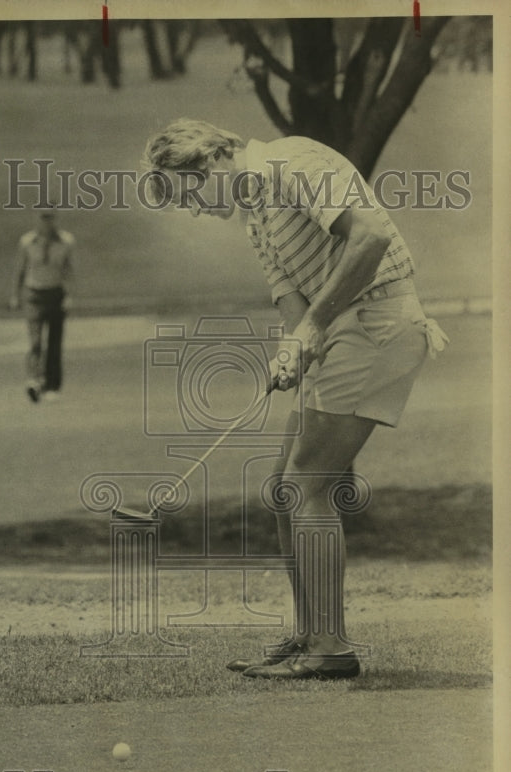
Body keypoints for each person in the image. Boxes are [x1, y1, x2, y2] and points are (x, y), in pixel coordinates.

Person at [142, 119, 448, 680]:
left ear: (210, 160)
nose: (192, 210)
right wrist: (294, 349)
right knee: (284, 488)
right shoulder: (256, 214)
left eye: (188, 194)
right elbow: (294, 304)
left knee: (307, 484)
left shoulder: (291, 162)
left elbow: (371, 237)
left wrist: (311, 330)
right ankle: (309, 636)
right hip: (347, 329)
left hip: (377, 321)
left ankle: (330, 648)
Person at [10, 208, 75, 403]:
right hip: (34, 294)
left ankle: (52, 385)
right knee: (35, 340)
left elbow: (68, 270)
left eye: (50, 217)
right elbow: (20, 270)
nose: (47, 222)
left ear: (55, 219)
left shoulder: (65, 241)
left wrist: (69, 295)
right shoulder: (27, 242)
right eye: (43, 217)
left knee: (54, 342)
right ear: (37, 219)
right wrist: (15, 295)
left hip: (55, 293)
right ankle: (33, 379)